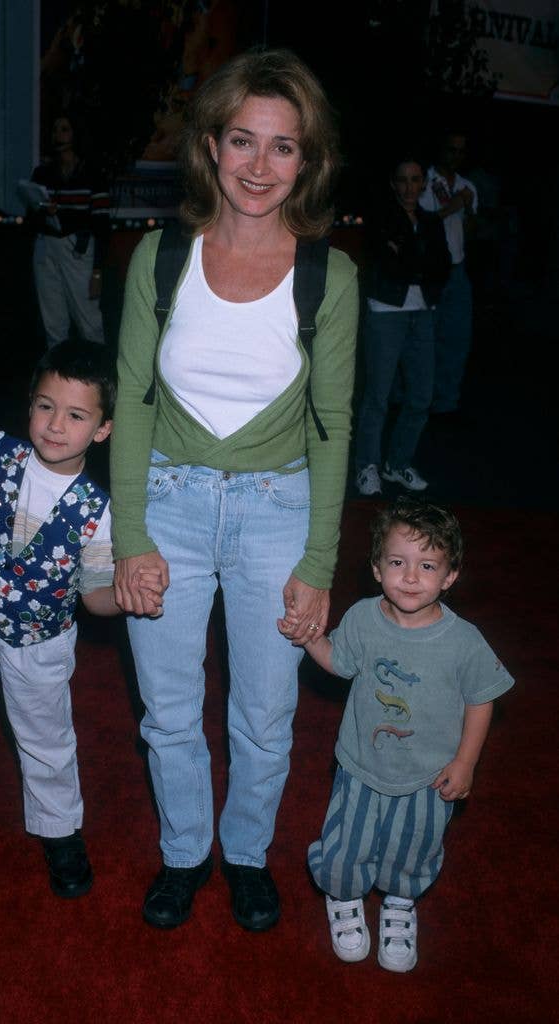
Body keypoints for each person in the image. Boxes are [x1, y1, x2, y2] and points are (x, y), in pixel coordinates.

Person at [109, 47, 359, 932]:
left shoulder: (331, 275)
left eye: (283, 147)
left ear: (309, 160)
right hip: (166, 504)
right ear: (211, 145)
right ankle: (187, 852)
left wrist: (320, 561)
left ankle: (246, 852)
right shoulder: (158, 259)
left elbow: (333, 432)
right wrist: (130, 535)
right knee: (168, 712)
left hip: (278, 512)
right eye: (244, 141)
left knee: (265, 713)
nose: (260, 167)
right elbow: (132, 405)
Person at [0, 340, 162, 898]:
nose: (54, 425)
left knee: (45, 738)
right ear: (29, 404)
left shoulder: (99, 510)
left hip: (38, 642)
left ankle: (58, 827)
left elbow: (94, 599)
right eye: (45, 406)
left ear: (103, 429)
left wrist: (130, 596)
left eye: (75, 414)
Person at [278, 496, 514, 971]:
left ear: (450, 576)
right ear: (375, 567)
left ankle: (400, 903)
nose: (410, 577)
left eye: (427, 565)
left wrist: (465, 762)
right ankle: (342, 896)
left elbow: (481, 699)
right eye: (397, 562)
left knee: (415, 848)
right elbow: (340, 664)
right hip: (362, 765)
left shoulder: (464, 640)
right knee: (348, 843)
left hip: (430, 774)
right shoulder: (365, 618)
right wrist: (311, 641)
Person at [354, 152, 450, 497]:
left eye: (415, 179)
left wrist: (407, 253)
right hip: (386, 311)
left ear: (423, 182)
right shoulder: (381, 218)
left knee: (422, 396)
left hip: (423, 310)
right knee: (377, 396)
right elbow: (389, 263)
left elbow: (442, 265)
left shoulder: (430, 221)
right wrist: (415, 259)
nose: (410, 187)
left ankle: (398, 463)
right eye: (403, 180)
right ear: (394, 184)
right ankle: (368, 466)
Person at [28, 114, 106, 348]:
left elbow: (102, 226)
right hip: (46, 246)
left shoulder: (92, 174)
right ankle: (57, 379)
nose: (58, 135)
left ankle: (99, 378)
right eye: (55, 130)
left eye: (64, 129)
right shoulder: (43, 174)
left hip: (77, 250)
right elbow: (31, 218)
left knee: (88, 320)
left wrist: (97, 273)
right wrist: (45, 212)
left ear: (75, 134)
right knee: (53, 322)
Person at [418, 131, 478, 417]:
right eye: (451, 150)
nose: (455, 156)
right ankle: (417, 399)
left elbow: (469, 228)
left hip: (457, 268)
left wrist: (468, 212)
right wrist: (455, 205)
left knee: (456, 337)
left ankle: (446, 402)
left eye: (461, 151)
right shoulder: (424, 181)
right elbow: (425, 222)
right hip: (427, 270)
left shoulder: (467, 186)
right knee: (424, 337)